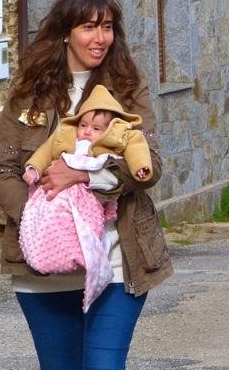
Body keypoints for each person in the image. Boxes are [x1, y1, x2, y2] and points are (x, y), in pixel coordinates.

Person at [0, 0, 172, 370]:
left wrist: (83, 178)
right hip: (43, 265)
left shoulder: (128, 91)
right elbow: (3, 170)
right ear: (65, 32)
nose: (100, 37)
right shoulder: (29, 93)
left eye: (108, 27)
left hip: (115, 260)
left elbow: (150, 165)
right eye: (89, 26)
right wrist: (40, 217)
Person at [18, 85, 155, 310]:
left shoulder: (121, 138)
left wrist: (141, 167)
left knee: (94, 224)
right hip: (58, 196)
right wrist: (33, 167)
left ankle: (93, 253)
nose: (87, 131)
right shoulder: (66, 136)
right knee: (54, 216)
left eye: (96, 128)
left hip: (93, 198)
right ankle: (54, 247)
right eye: (83, 125)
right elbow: (46, 150)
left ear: (110, 129)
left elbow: (137, 148)